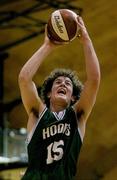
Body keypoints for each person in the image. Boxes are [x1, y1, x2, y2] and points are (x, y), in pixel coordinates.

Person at [18, 15, 100, 180]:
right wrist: (47, 46)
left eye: (68, 84)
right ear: (49, 92)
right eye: (58, 82)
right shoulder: (37, 114)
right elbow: (24, 79)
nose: (63, 84)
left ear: (73, 97)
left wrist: (86, 41)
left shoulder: (77, 116)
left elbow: (94, 80)